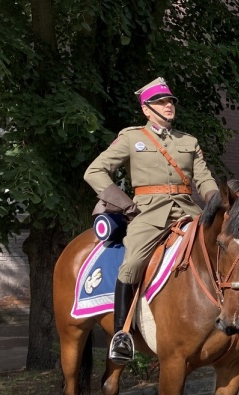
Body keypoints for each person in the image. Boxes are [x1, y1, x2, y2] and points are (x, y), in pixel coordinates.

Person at [84, 77, 220, 365]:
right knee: (132, 261)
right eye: (161, 102)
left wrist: (214, 199)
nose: (169, 106)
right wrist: (124, 205)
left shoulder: (189, 141)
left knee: (220, 247)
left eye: (170, 101)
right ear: (147, 109)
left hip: (187, 209)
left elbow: (203, 176)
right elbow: (95, 172)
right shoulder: (132, 138)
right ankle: (122, 333)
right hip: (147, 212)